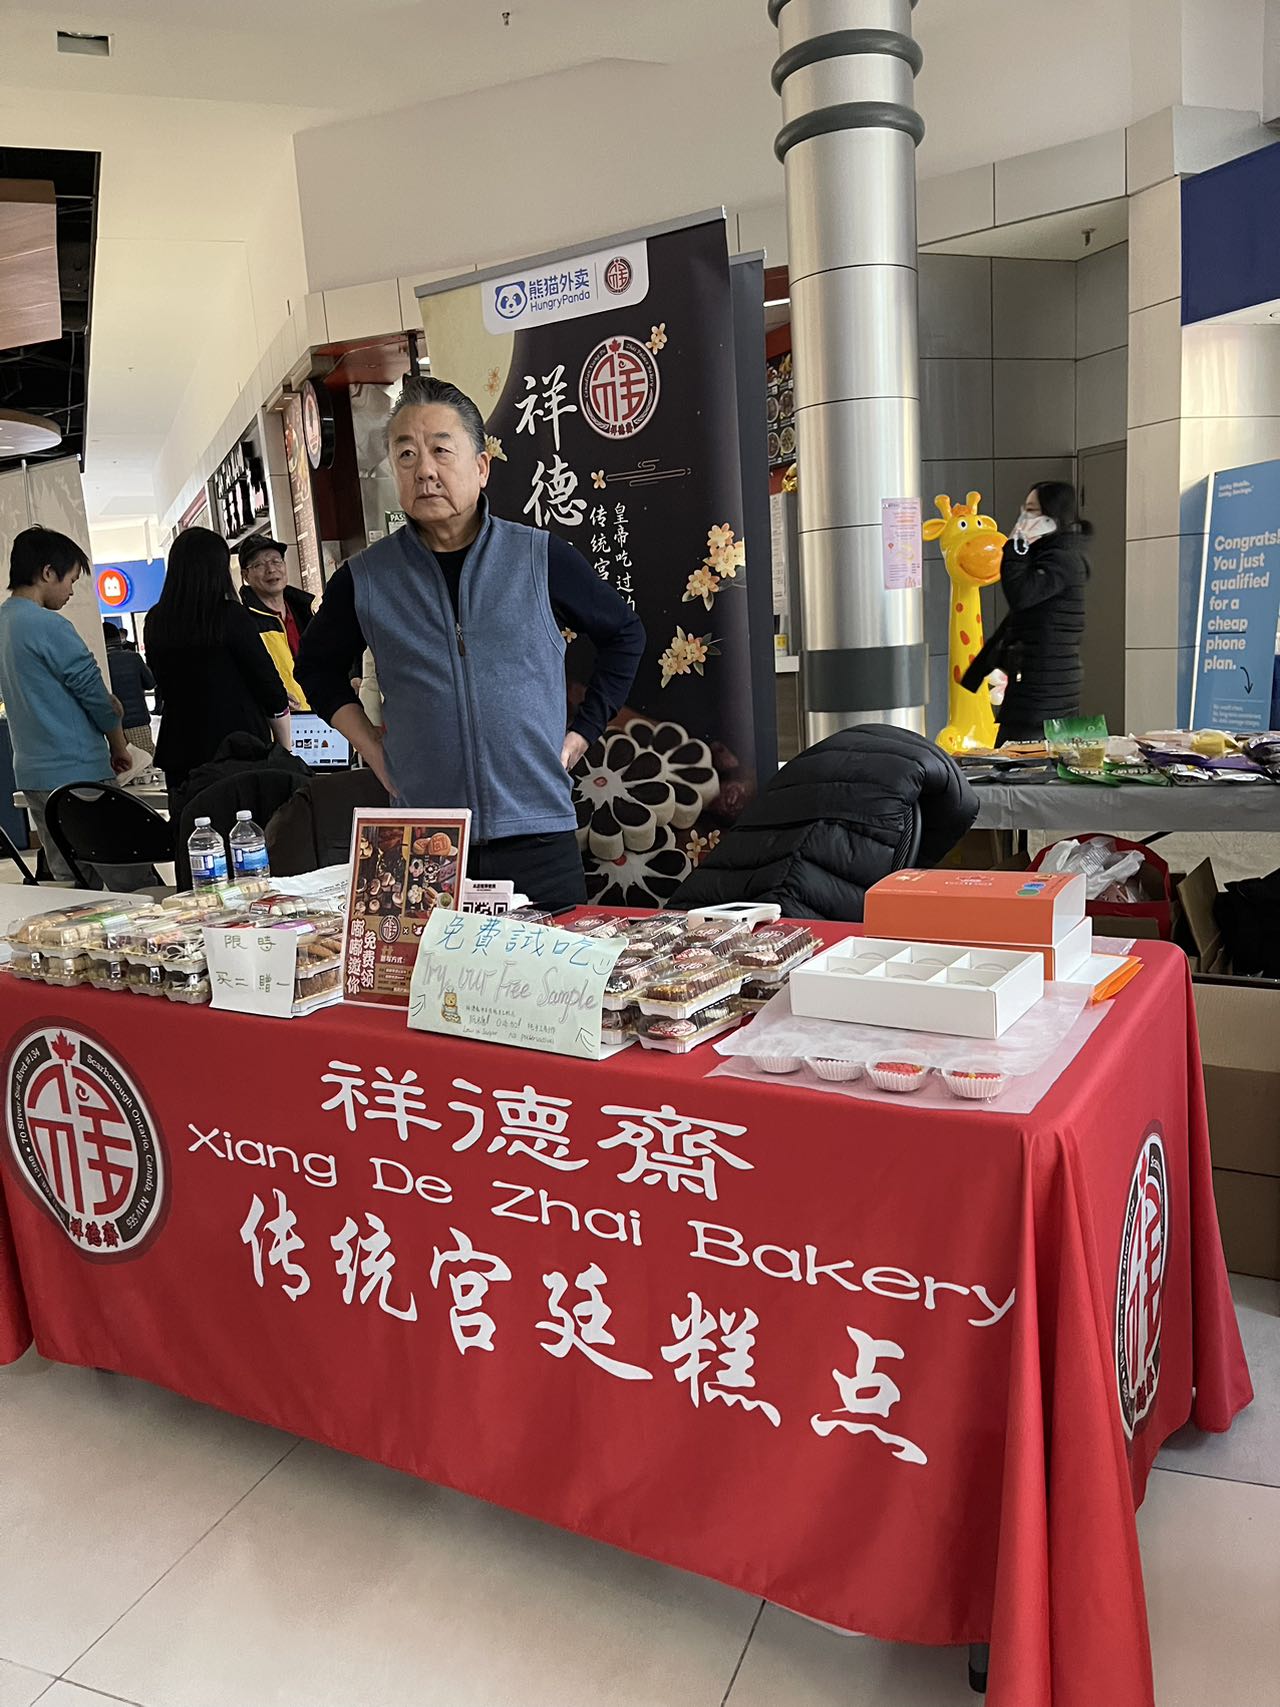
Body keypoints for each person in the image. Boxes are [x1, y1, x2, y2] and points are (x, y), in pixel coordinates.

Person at [297, 374, 645, 909]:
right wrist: (372, 748)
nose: (425, 470)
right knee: (428, 993)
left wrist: (580, 735)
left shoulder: (538, 557)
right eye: (406, 455)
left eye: (441, 450)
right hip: (421, 841)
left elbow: (624, 634)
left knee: (549, 989)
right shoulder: (366, 578)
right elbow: (315, 669)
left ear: (480, 467)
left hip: (536, 834)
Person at [0, 526, 143, 888]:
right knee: (129, 878)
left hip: (32, 776)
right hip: (80, 777)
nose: (70, 591)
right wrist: (119, 745)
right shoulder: (49, 626)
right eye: (71, 580)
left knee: (70, 882)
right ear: (48, 573)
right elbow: (98, 698)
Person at [145, 527, 292, 794]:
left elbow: (161, 681)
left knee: (191, 827)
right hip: (237, 748)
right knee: (244, 828)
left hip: (179, 749)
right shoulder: (229, 616)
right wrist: (285, 747)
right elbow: (267, 682)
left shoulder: (156, 620)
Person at [965, 481, 1091, 744]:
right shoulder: (1051, 554)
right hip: (1039, 681)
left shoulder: (1061, 559)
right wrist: (978, 671)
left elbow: (1020, 594)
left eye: (1032, 510)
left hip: (1045, 689)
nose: (1024, 517)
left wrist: (1016, 546)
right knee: (1020, 755)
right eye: (1024, 509)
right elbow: (1018, 616)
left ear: (1052, 517)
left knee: (1018, 759)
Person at [237, 535, 313, 710]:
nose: (271, 569)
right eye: (259, 565)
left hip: (322, 719)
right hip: (279, 724)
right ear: (245, 575)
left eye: (276, 561)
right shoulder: (244, 622)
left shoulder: (305, 611)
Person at [103, 621, 157, 755]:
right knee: (145, 766)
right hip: (138, 722)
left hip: (113, 727)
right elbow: (150, 683)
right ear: (119, 638)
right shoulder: (133, 658)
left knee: (123, 770)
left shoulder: (99, 661)